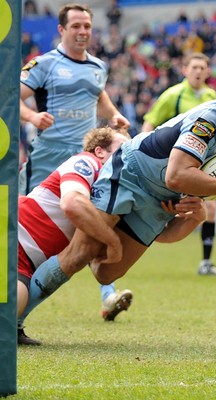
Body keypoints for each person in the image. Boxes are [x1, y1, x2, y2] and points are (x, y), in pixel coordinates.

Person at [23, 72, 216, 314]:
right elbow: (177, 175)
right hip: (131, 173)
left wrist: (195, 207)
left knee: (106, 273)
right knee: (80, 253)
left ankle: (103, 236)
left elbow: (196, 186)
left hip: (161, 198)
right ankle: (15, 320)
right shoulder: (211, 118)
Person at [19, 3, 130, 322]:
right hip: (48, 161)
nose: (83, 31)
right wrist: (31, 116)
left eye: (87, 26)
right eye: (76, 26)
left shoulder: (97, 66)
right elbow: (13, 95)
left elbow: (99, 96)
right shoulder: (44, 64)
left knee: (97, 221)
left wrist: (114, 114)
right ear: (61, 30)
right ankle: (16, 300)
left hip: (89, 163)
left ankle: (108, 291)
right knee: (29, 232)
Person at [18, 127, 132, 346]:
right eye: (121, 149)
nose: (126, 155)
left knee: (11, 310)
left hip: (25, 262)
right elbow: (72, 203)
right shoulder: (87, 162)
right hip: (13, 232)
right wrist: (112, 241)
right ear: (99, 151)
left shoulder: (115, 187)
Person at [141, 52, 216, 275]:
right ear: (185, 70)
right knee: (163, 209)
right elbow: (149, 124)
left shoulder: (212, 96)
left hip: (201, 164)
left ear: (208, 72)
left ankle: (206, 262)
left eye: (202, 68)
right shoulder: (173, 95)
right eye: (193, 67)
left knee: (211, 208)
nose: (198, 72)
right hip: (170, 164)